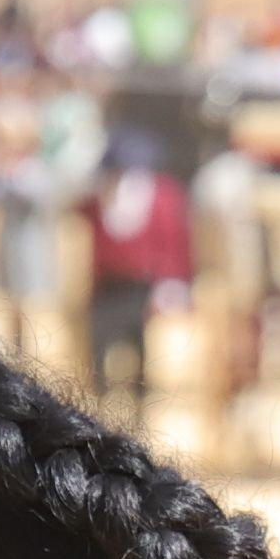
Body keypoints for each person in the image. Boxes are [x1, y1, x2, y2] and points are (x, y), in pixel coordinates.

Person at [81, 126, 194, 420]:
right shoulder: (97, 199)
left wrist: (171, 284)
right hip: (107, 287)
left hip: (143, 286)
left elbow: (174, 243)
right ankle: (101, 408)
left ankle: (144, 415)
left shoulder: (163, 197)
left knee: (142, 354)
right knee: (100, 349)